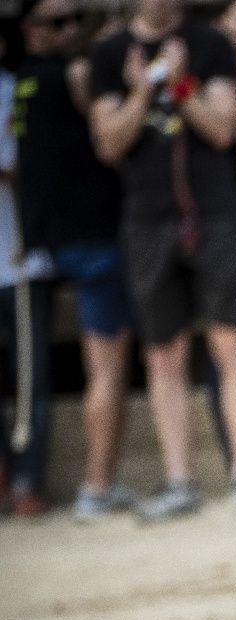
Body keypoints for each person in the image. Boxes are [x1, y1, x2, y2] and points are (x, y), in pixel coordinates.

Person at [88, 0, 236, 519]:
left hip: (214, 212)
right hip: (147, 217)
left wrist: (182, 80)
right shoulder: (110, 54)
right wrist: (145, 87)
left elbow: (221, 129)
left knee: (231, 339)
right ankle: (179, 480)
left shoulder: (209, 43)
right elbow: (108, 143)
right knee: (163, 352)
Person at [10, 0, 136, 520]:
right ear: (29, 29)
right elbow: (107, 133)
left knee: (93, 368)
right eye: (56, 22)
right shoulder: (78, 73)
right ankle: (96, 486)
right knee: (106, 369)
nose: (68, 32)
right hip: (94, 243)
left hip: (57, 243)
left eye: (74, 22)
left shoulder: (22, 84)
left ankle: (97, 483)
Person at [1, 38, 57, 519]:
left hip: (17, 257)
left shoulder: (15, 89)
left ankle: (26, 482)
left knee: (31, 381)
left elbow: (26, 165)